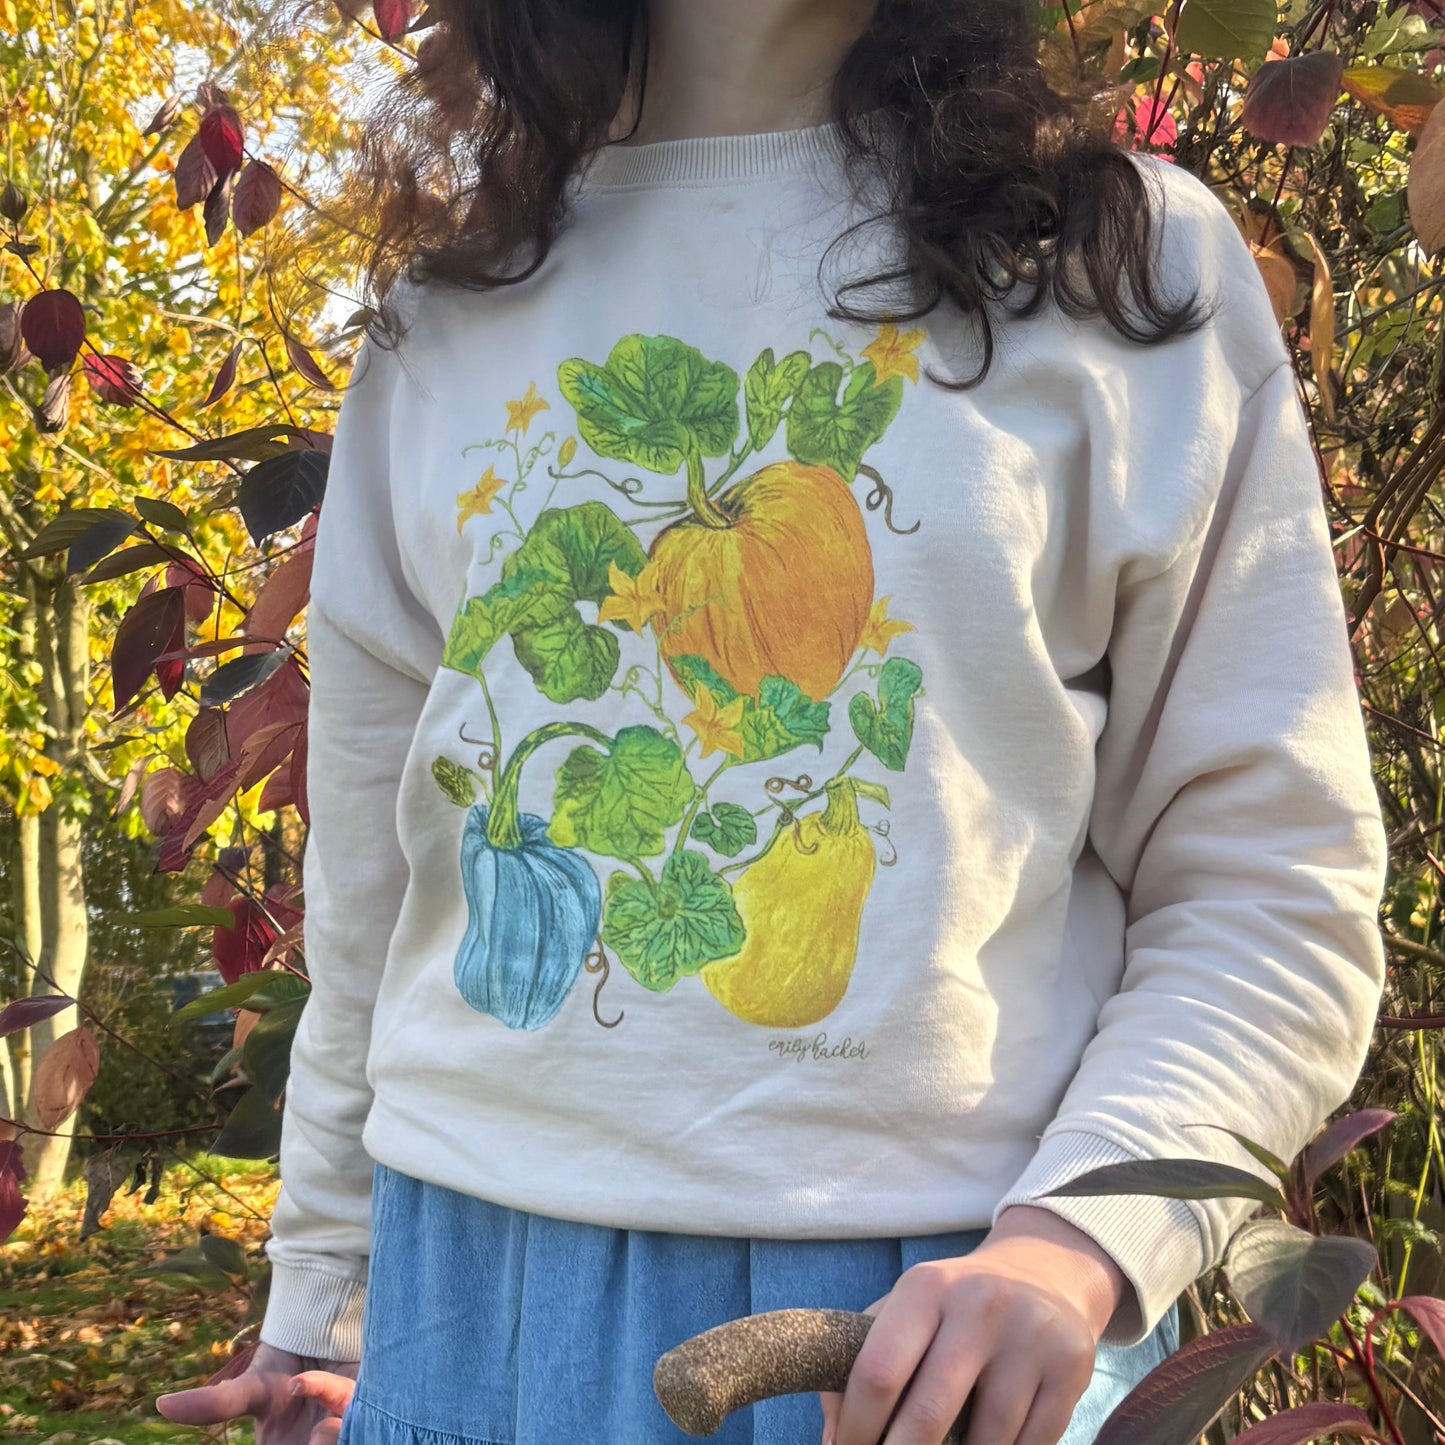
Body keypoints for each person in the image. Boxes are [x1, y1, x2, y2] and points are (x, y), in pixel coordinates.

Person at [154, 0, 1391, 1442]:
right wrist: (324, 1298)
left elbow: (1269, 884)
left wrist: (1073, 1246)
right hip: (471, 1309)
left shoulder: (1112, 266)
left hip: (946, 1336)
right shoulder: (450, 309)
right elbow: (373, 881)